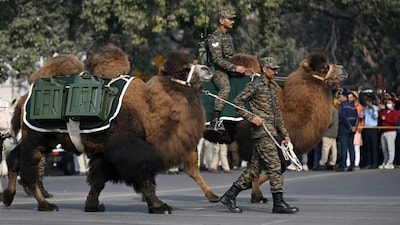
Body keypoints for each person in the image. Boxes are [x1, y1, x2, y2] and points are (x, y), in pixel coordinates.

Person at [219, 57, 299, 214]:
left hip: (271, 133)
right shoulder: (255, 86)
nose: (276, 71)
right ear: (264, 69)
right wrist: (251, 117)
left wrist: (285, 135)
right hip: (261, 133)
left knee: (254, 170)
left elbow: (278, 115)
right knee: (275, 166)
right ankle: (279, 203)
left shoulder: (272, 88)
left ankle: (229, 195)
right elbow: (237, 103)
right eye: (273, 69)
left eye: (276, 69)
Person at [207, 10, 246, 131]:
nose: (232, 21)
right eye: (229, 19)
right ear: (221, 20)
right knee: (225, 87)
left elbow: (230, 57)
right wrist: (235, 68)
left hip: (228, 69)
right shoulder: (214, 38)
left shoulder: (227, 37)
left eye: (232, 19)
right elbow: (217, 60)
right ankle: (215, 119)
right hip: (217, 71)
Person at [336, 89, 358, 172]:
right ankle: (352, 165)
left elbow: (343, 117)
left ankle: (343, 165)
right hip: (352, 130)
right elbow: (357, 118)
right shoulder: (353, 106)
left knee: (344, 148)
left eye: (340, 97)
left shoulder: (342, 105)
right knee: (351, 147)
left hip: (344, 130)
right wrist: (354, 127)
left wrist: (349, 127)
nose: (339, 99)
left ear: (344, 97)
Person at [315, 105, 339, 170]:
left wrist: (322, 126)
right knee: (333, 149)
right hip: (334, 132)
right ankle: (332, 163)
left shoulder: (329, 109)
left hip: (328, 132)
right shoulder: (335, 109)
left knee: (325, 148)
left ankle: (322, 163)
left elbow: (329, 121)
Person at [378, 98, 399, 169]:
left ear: (393, 104)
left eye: (390, 103)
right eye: (387, 103)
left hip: (391, 131)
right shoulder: (385, 111)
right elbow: (381, 116)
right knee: (384, 148)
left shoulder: (395, 112)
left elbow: (394, 121)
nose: (388, 104)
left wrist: (385, 118)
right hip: (384, 131)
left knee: (390, 148)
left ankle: (390, 162)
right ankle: (385, 161)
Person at [359, 97, 379, 169]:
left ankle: (374, 163)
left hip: (373, 128)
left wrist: (372, 109)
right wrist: (363, 110)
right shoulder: (366, 109)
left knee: (373, 146)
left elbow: (375, 116)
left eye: (368, 102)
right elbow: (361, 116)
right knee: (367, 147)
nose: (367, 104)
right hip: (366, 128)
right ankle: (368, 163)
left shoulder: (375, 108)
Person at [348, 91, 364, 169]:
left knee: (356, 147)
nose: (350, 99)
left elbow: (362, 119)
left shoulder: (360, 107)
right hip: (349, 129)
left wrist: (360, 127)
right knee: (349, 146)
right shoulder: (348, 106)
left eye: (351, 97)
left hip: (357, 130)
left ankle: (356, 163)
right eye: (349, 97)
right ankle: (348, 162)